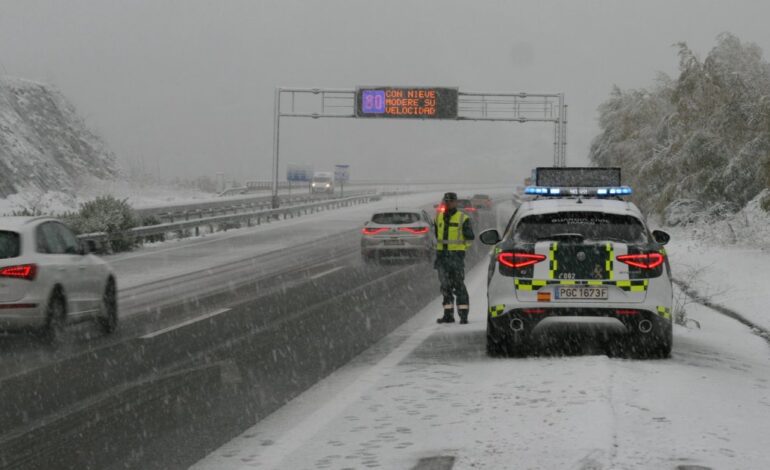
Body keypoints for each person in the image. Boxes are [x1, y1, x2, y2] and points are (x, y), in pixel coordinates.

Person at [434, 192, 475, 324]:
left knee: (459, 287)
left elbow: (469, 238)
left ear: (456, 202)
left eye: (451, 201)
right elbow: (437, 237)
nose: (448, 203)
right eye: (446, 201)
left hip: (456, 259)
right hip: (442, 258)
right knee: (445, 288)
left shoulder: (463, 218)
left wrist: (459, 251)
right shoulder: (438, 218)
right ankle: (448, 315)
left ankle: (463, 316)